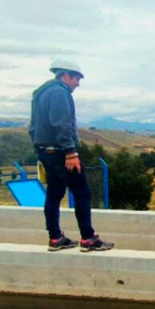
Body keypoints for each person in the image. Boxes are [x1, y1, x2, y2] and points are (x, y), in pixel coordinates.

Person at [29, 59, 114, 252]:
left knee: (54, 194)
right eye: (76, 78)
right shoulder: (60, 92)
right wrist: (70, 152)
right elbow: (62, 124)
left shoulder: (40, 93)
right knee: (83, 193)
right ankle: (88, 238)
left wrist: (41, 150)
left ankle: (55, 238)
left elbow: (33, 127)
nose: (78, 83)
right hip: (61, 153)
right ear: (65, 75)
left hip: (46, 152)